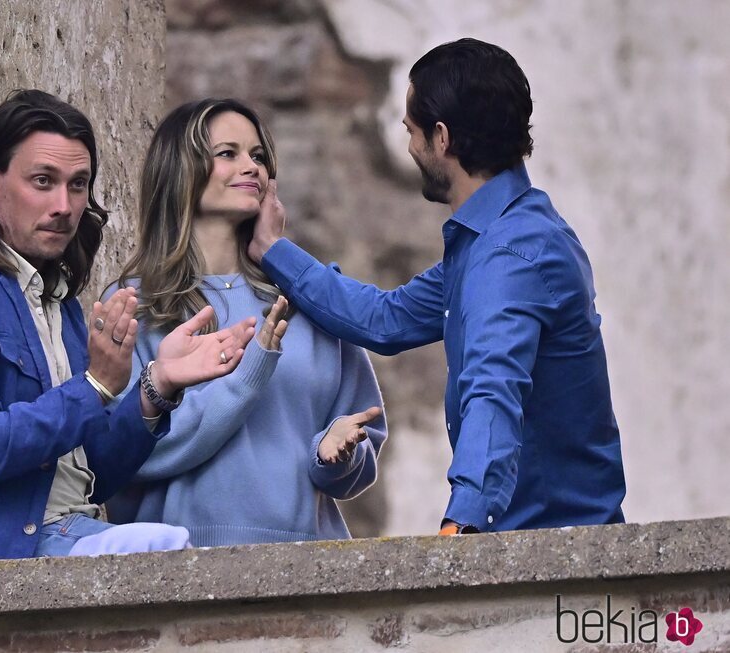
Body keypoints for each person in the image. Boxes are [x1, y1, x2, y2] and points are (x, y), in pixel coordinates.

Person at [248, 38, 626, 535]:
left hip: (555, 548)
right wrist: (273, 250)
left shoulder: (509, 254)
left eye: (411, 131)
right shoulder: (495, 239)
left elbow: (493, 390)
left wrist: (460, 526)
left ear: (442, 137)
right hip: (536, 539)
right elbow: (385, 319)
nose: (408, 147)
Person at [0, 90, 255, 566]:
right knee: (165, 553)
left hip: (67, 532)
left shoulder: (61, 305)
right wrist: (93, 387)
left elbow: (94, 472)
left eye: (78, 185)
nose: (65, 205)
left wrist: (157, 386)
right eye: (42, 181)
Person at [105, 98, 387, 546]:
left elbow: (361, 439)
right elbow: (119, 456)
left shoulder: (304, 296)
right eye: (228, 153)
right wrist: (247, 376)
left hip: (305, 562)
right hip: (173, 566)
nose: (251, 167)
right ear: (181, 170)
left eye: (258, 156)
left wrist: (336, 455)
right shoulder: (137, 303)